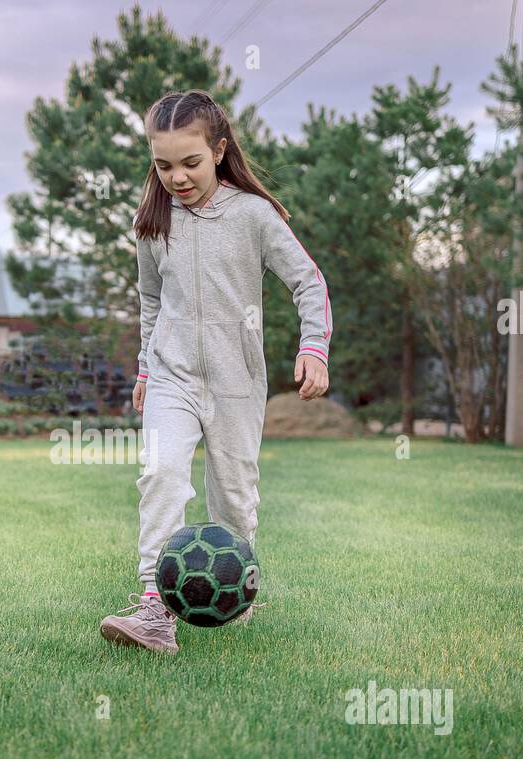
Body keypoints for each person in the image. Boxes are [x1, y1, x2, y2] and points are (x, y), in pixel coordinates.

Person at [99, 90, 333, 655]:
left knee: (233, 499)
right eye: (163, 165)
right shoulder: (151, 223)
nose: (176, 176)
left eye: (190, 162)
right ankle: (154, 610)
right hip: (172, 374)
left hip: (237, 382)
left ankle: (235, 594)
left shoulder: (253, 215)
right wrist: (145, 370)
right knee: (161, 475)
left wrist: (315, 347)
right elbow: (150, 301)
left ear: (220, 151)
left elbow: (309, 282)